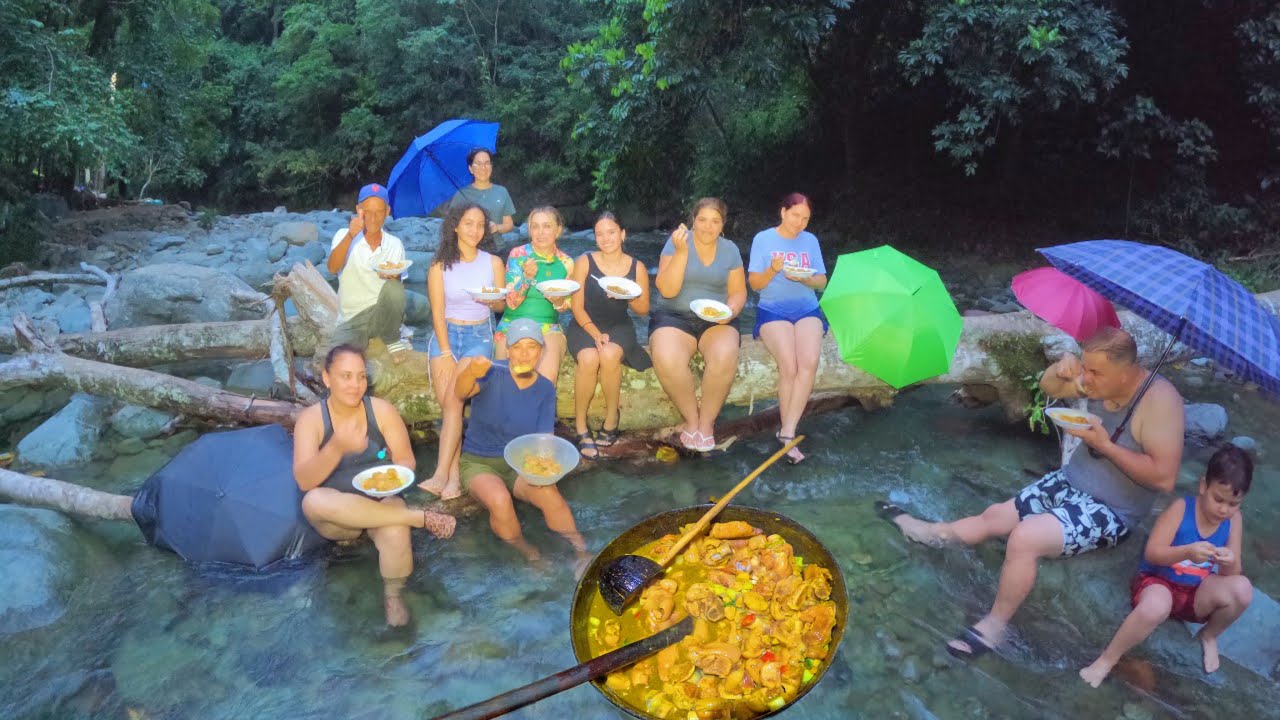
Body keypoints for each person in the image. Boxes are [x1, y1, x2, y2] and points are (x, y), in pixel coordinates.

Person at [878, 327, 1185, 658]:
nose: (1088, 378)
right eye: (1086, 367)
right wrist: (1060, 369)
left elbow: (1164, 478)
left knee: (1024, 538)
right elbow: (1049, 387)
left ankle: (995, 626)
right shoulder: (1099, 378)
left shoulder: (1160, 401)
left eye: (1095, 372)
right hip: (1070, 480)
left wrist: (1105, 446)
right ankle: (932, 533)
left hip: (1111, 510)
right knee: (995, 516)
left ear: (1127, 372)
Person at [292, 345, 456, 627]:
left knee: (395, 532)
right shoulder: (311, 420)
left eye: (361, 377)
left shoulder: (381, 411)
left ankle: (393, 595)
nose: (355, 385)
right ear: (327, 378)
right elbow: (305, 480)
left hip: (381, 499)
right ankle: (417, 517)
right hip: (339, 517)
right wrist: (337, 446)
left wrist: (393, 475)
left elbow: (406, 460)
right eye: (346, 376)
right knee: (313, 501)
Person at [1080, 444, 1253, 686]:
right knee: (1157, 607)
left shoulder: (1233, 521)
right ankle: (1107, 659)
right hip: (1157, 581)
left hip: (1195, 592)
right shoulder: (1182, 509)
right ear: (1203, 485)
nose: (1224, 509)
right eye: (1218, 499)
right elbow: (1152, 553)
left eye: (1233, 504)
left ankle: (1210, 636)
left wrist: (1230, 561)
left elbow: (1232, 574)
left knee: (1243, 589)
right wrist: (1187, 552)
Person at [450, 318, 590, 573]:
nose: (524, 353)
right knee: (500, 499)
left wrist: (545, 470)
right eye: (517, 347)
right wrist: (471, 371)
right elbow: (460, 393)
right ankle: (527, 552)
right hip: (480, 461)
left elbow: (544, 438)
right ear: (508, 350)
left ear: (541, 351)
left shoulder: (545, 389)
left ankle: (581, 550)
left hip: (521, 464)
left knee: (549, 494)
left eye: (532, 347)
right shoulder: (491, 372)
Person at [418, 203, 508, 501]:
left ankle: (441, 473)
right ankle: (455, 476)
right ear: (455, 226)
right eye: (469, 223)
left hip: (479, 336)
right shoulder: (438, 266)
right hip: (446, 336)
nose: (475, 230)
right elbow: (437, 311)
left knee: (455, 397)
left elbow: (500, 305)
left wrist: (490, 301)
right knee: (449, 407)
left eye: (481, 224)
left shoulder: (493, 262)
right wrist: (444, 351)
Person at [650, 197, 747, 452]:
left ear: (723, 224)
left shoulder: (730, 250)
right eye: (702, 219)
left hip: (716, 318)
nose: (707, 226)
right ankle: (692, 419)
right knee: (667, 356)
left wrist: (732, 311)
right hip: (674, 315)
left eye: (715, 221)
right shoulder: (677, 242)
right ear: (693, 219)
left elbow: (738, 292)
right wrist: (681, 252)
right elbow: (667, 290)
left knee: (726, 353)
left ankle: (706, 424)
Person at [747, 193, 828, 464]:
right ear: (783, 212)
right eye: (795, 215)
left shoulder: (811, 240)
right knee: (789, 365)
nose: (800, 223)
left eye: (805, 218)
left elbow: (822, 282)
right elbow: (755, 284)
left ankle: (788, 431)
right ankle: (786, 431)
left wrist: (804, 279)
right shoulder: (763, 239)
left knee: (809, 361)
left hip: (807, 309)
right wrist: (772, 269)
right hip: (773, 310)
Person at [566, 212, 652, 459]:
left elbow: (643, 309)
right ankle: (581, 426)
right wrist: (594, 333)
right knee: (590, 358)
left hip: (619, 325)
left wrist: (628, 296)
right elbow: (576, 306)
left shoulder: (638, 267)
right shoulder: (585, 261)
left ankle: (612, 418)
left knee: (610, 353)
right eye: (600, 233)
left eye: (611, 232)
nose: (606, 238)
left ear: (623, 234)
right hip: (585, 323)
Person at [326, 183, 409, 358]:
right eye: (367, 211)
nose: (373, 218)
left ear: (387, 212)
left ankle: (392, 337)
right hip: (351, 319)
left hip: (382, 315)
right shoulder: (343, 235)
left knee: (395, 289)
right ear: (358, 210)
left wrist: (395, 276)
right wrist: (350, 236)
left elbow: (397, 293)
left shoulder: (394, 244)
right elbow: (332, 268)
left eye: (379, 211)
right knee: (336, 359)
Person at [497, 206, 574, 386]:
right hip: (512, 322)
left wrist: (559, 301)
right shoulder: (518, 255)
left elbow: (567, 305)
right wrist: (528, 278)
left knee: (546, 379)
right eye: (535, 226)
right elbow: (511, 303)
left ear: (558, 230)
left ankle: (540, 412)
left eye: (547, 226)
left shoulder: (567, 262)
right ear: (529, 230)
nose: (540, 232)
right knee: (505, 379)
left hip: (549, 326)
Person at [448, 148, 515, 252]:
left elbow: (509, 224)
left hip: (498, 250)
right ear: (470, 168)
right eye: (478, 164)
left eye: (487, 163)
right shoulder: (461, 195)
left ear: (491, 166)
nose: (483, 168)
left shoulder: (502, 192)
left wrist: (496, 227)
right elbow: (452, 226)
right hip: (470, 252)